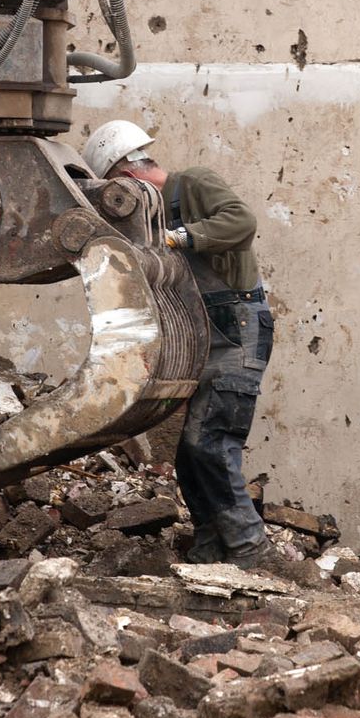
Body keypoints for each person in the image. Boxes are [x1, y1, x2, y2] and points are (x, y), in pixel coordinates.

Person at [83, 119, 277, 568]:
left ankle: (252, 550)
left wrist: (176, 238)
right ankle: (211, 546)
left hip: (239, 327)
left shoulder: (193, 184)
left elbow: (241, 220)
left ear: (127, 176)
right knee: (191, 453)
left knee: (211, 440)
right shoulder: (150, 216)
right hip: (204, 334)